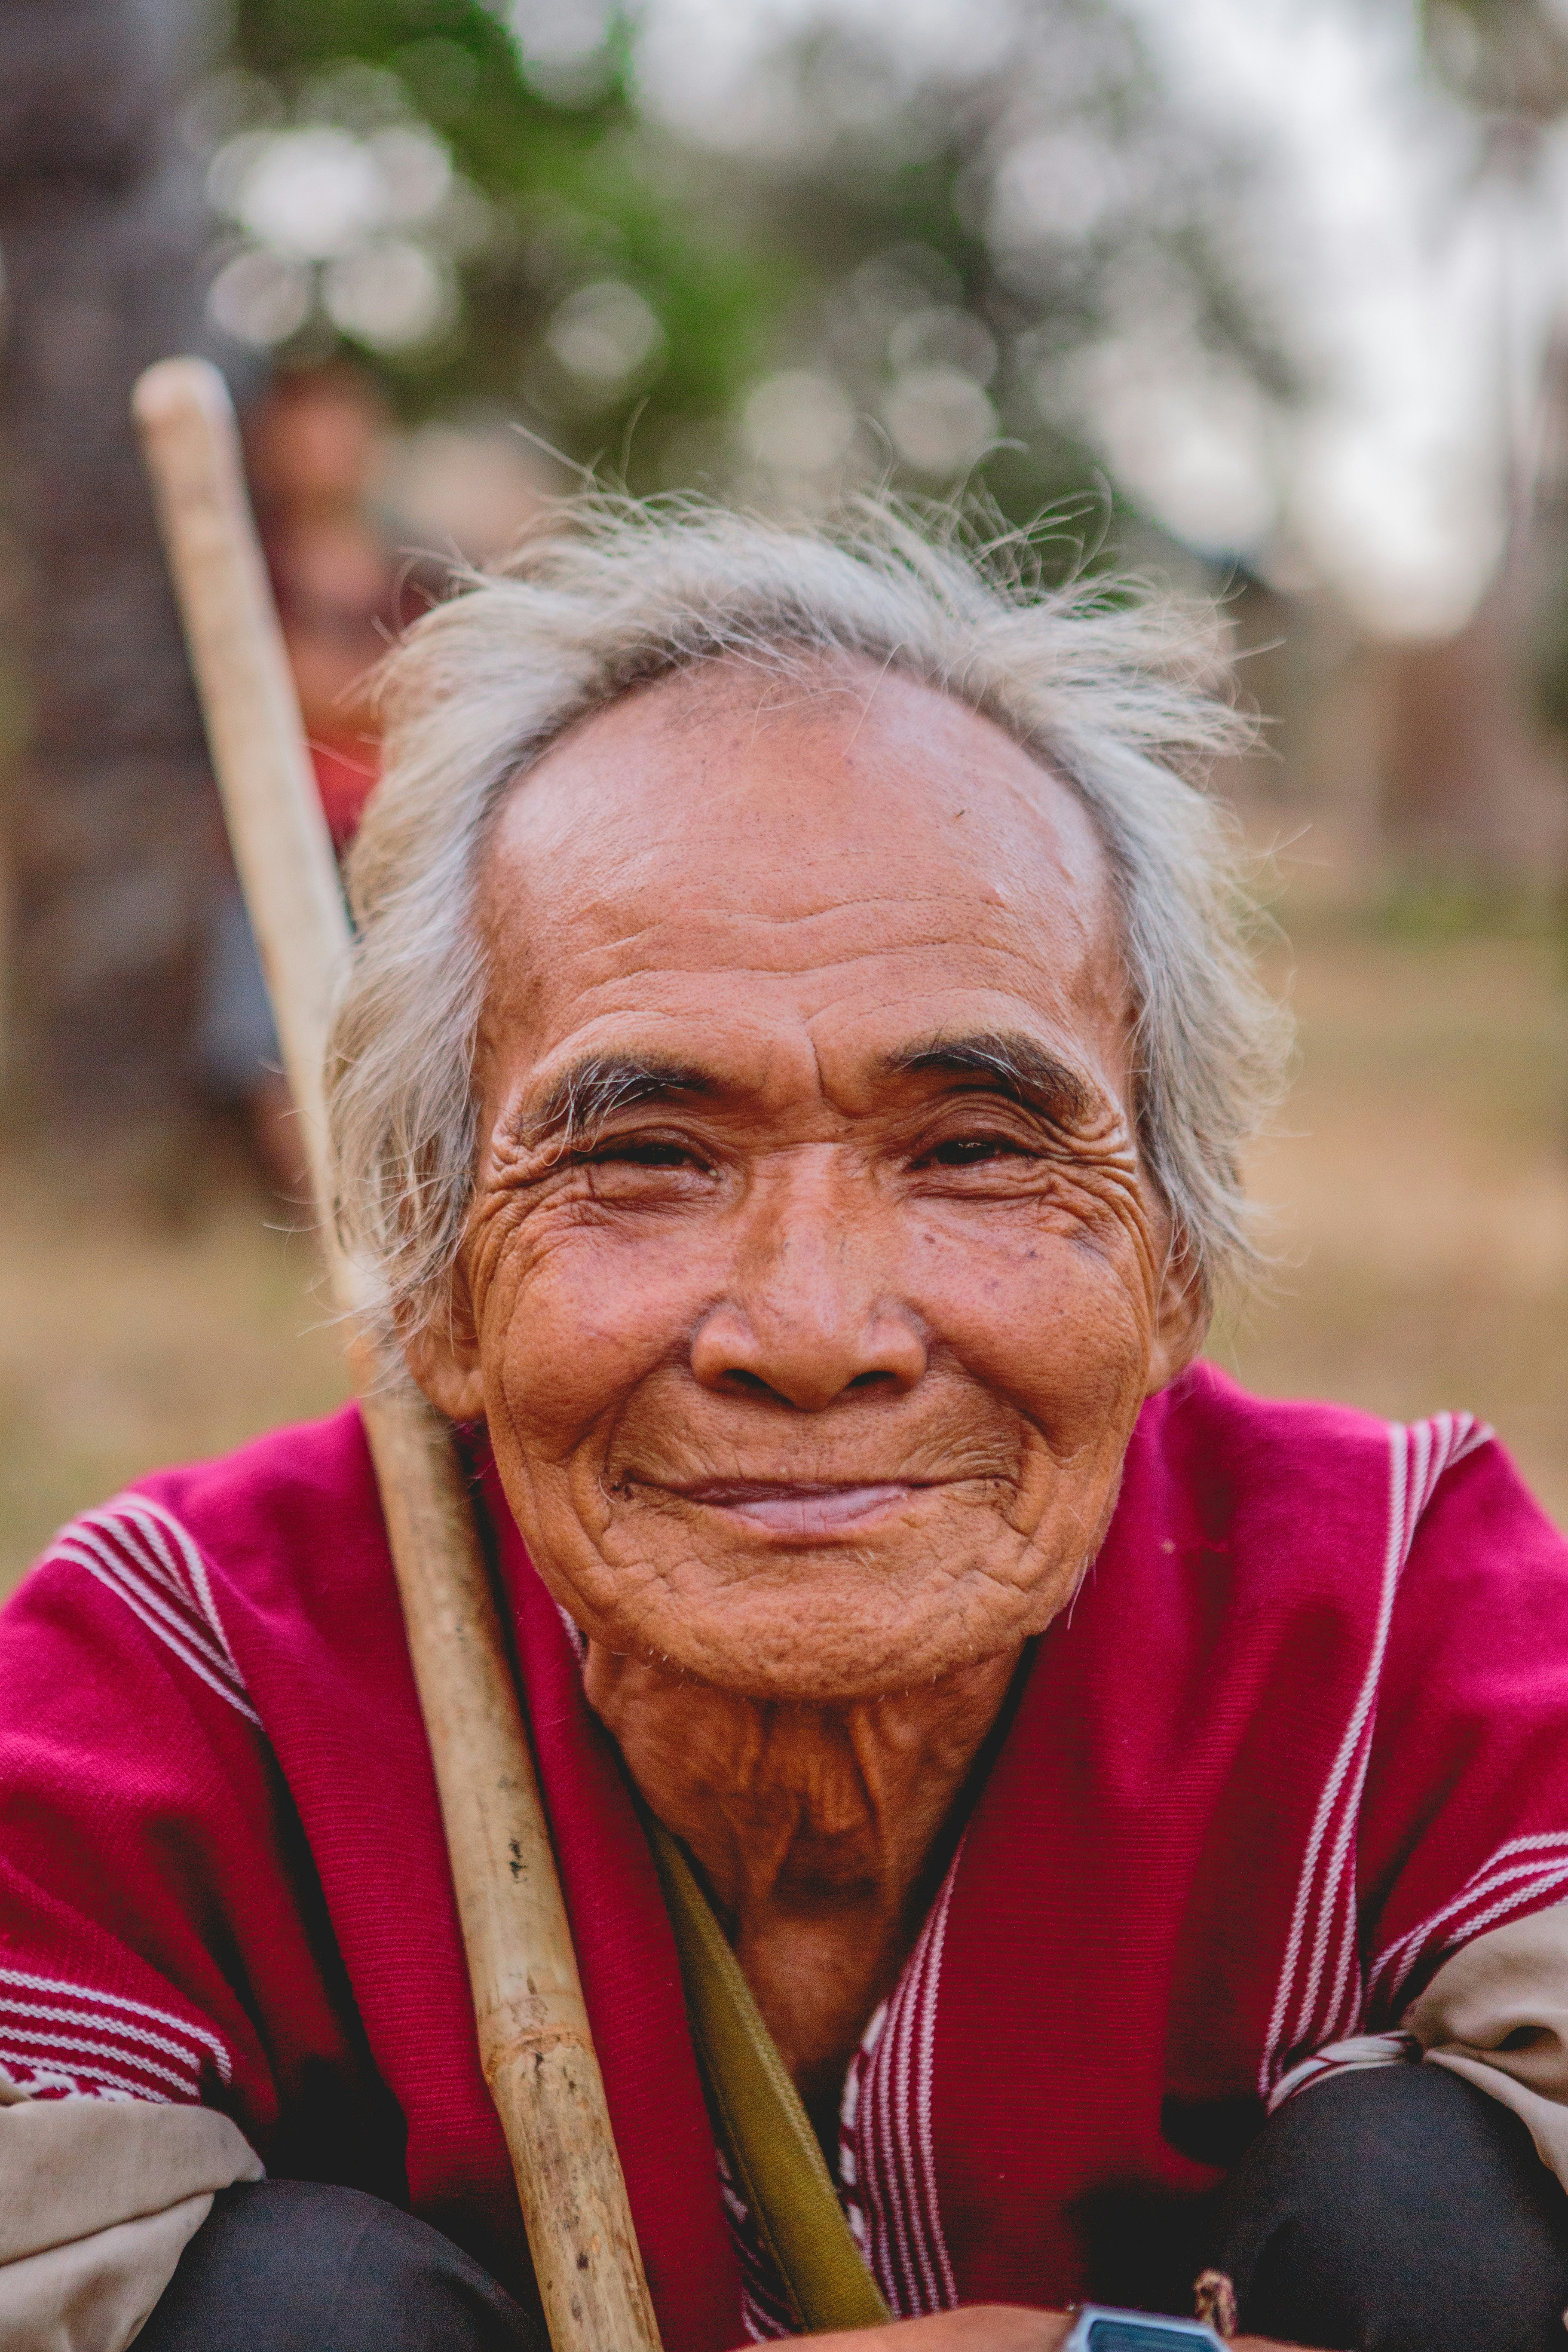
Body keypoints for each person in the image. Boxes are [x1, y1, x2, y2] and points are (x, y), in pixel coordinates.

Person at [4, 499, 1568, 2352]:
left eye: (977, 1150)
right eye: (645, 1158)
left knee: (1442, 2216)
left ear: (1171, 1264)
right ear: (432, 1293)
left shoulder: (1391, 1609)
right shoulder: (188, 1672)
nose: (815, 1333)